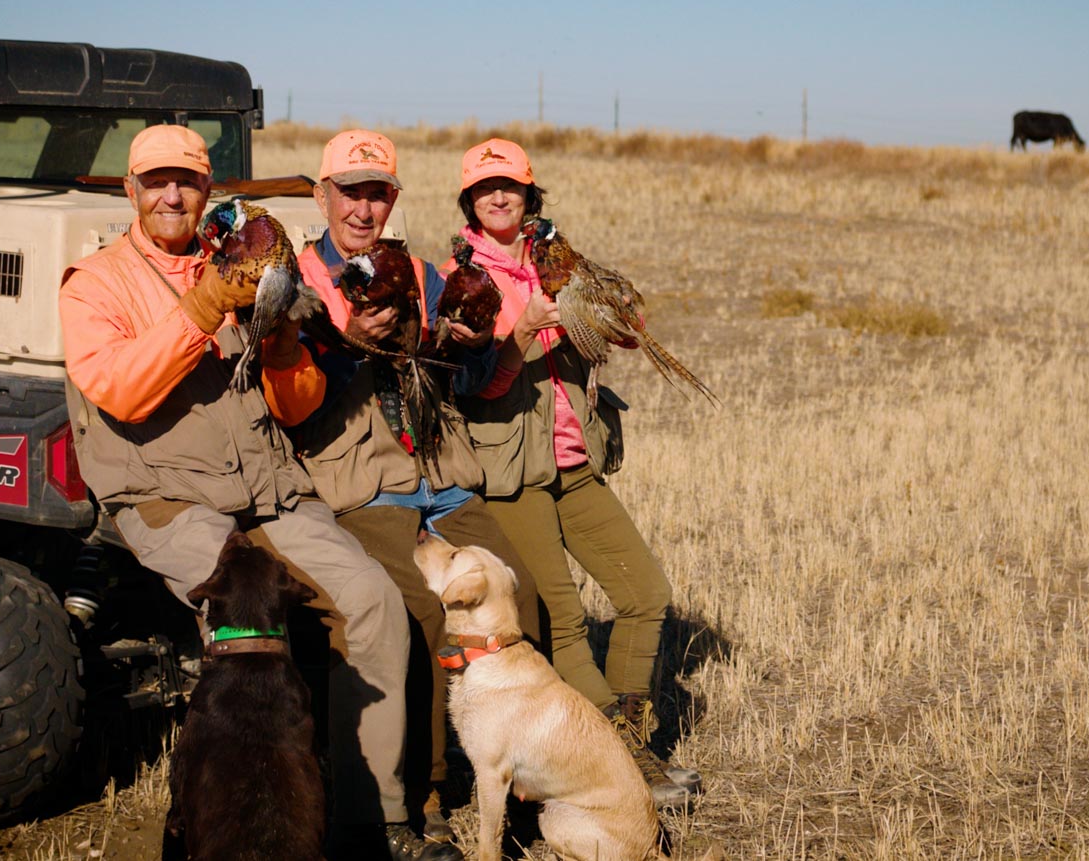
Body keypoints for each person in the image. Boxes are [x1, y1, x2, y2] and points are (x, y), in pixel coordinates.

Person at [58, 125, 455, 861]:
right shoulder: (98, 283)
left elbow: (297, 406)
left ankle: (371, 820)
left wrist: (279, 346)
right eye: (156, 182)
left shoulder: (243, 264)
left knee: (373, 601)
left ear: (209, 192)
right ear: (130, 191)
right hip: (169, 499)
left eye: (187, 182)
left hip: (268, 493)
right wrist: (208, 303)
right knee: (248, 636)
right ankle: (223, 826)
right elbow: (121, 389)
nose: (172, 195)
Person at [288, 128, 540, 847]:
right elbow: (290, 396)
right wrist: (351, 341)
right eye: (350, 192)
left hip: (442, 478)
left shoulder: (425, 275)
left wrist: (470, 343)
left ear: (393, 199)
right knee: (427, 612)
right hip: (362, 483)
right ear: (322, 195)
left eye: (378, 193)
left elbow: (465, 371)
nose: (364, 209)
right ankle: (424, 786)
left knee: (524, 594)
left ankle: (513, 767)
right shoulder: (302, 282)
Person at [446, 137, 701, 811]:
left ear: (532, 196)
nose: (499, 197)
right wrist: (525, 329)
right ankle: (619, 761)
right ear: (469, 200)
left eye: (512, 186)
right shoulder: (463, 276)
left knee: (646, 592)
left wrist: (618, 325)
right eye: (485, 188)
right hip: (511, 469)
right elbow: (473, 389)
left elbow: (606, 334)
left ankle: (625, 735)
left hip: (573, 459)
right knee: (562, 615)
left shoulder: (559, 261)